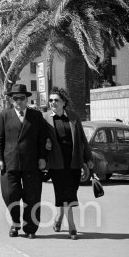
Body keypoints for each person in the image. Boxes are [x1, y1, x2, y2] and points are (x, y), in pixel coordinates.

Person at [0, 83, 48, 239]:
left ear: (27, 99)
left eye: (21, 98)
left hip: (31, 163)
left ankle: (30, 228)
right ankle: (15, 222)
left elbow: (41, 139)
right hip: (9, 162)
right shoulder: (3, 116)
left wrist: (42, 158)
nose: (18, 101)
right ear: (12, 100)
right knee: (10, 194)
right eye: (15, 98)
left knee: (32, 196)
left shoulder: (36, 116)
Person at [43, 87, 93, 240]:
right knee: (64, 193)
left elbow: (82, 139)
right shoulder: (44, 118)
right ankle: (72, 226)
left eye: (56, 100)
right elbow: (39, 138)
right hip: (56, 164)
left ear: (63, 102)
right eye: (50, 100)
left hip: (73, 163)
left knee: (71, 191)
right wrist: (45, 144)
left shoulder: (73, 116)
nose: (53, 103)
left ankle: (58, 219)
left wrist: (88, 158)